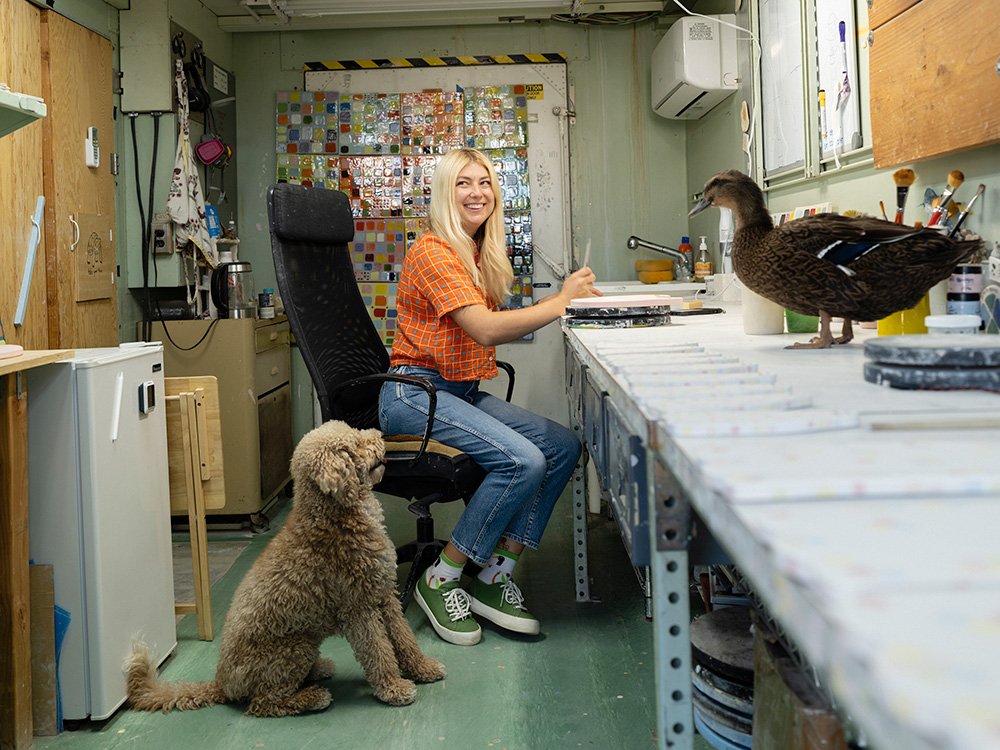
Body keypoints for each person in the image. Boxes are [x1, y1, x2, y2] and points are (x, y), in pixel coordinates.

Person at [378, 147, 600, 646]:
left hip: (456, 392)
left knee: (561, 446)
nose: (477, 192)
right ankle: (443, 576)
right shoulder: (434, 251)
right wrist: (560, 303)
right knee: (522, 460)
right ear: (444, 194)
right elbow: (483, 330)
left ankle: (495, 574)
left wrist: (562, 301)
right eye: (463, 183)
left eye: (484, 183)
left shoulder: (476, 254)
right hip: (413, 394)